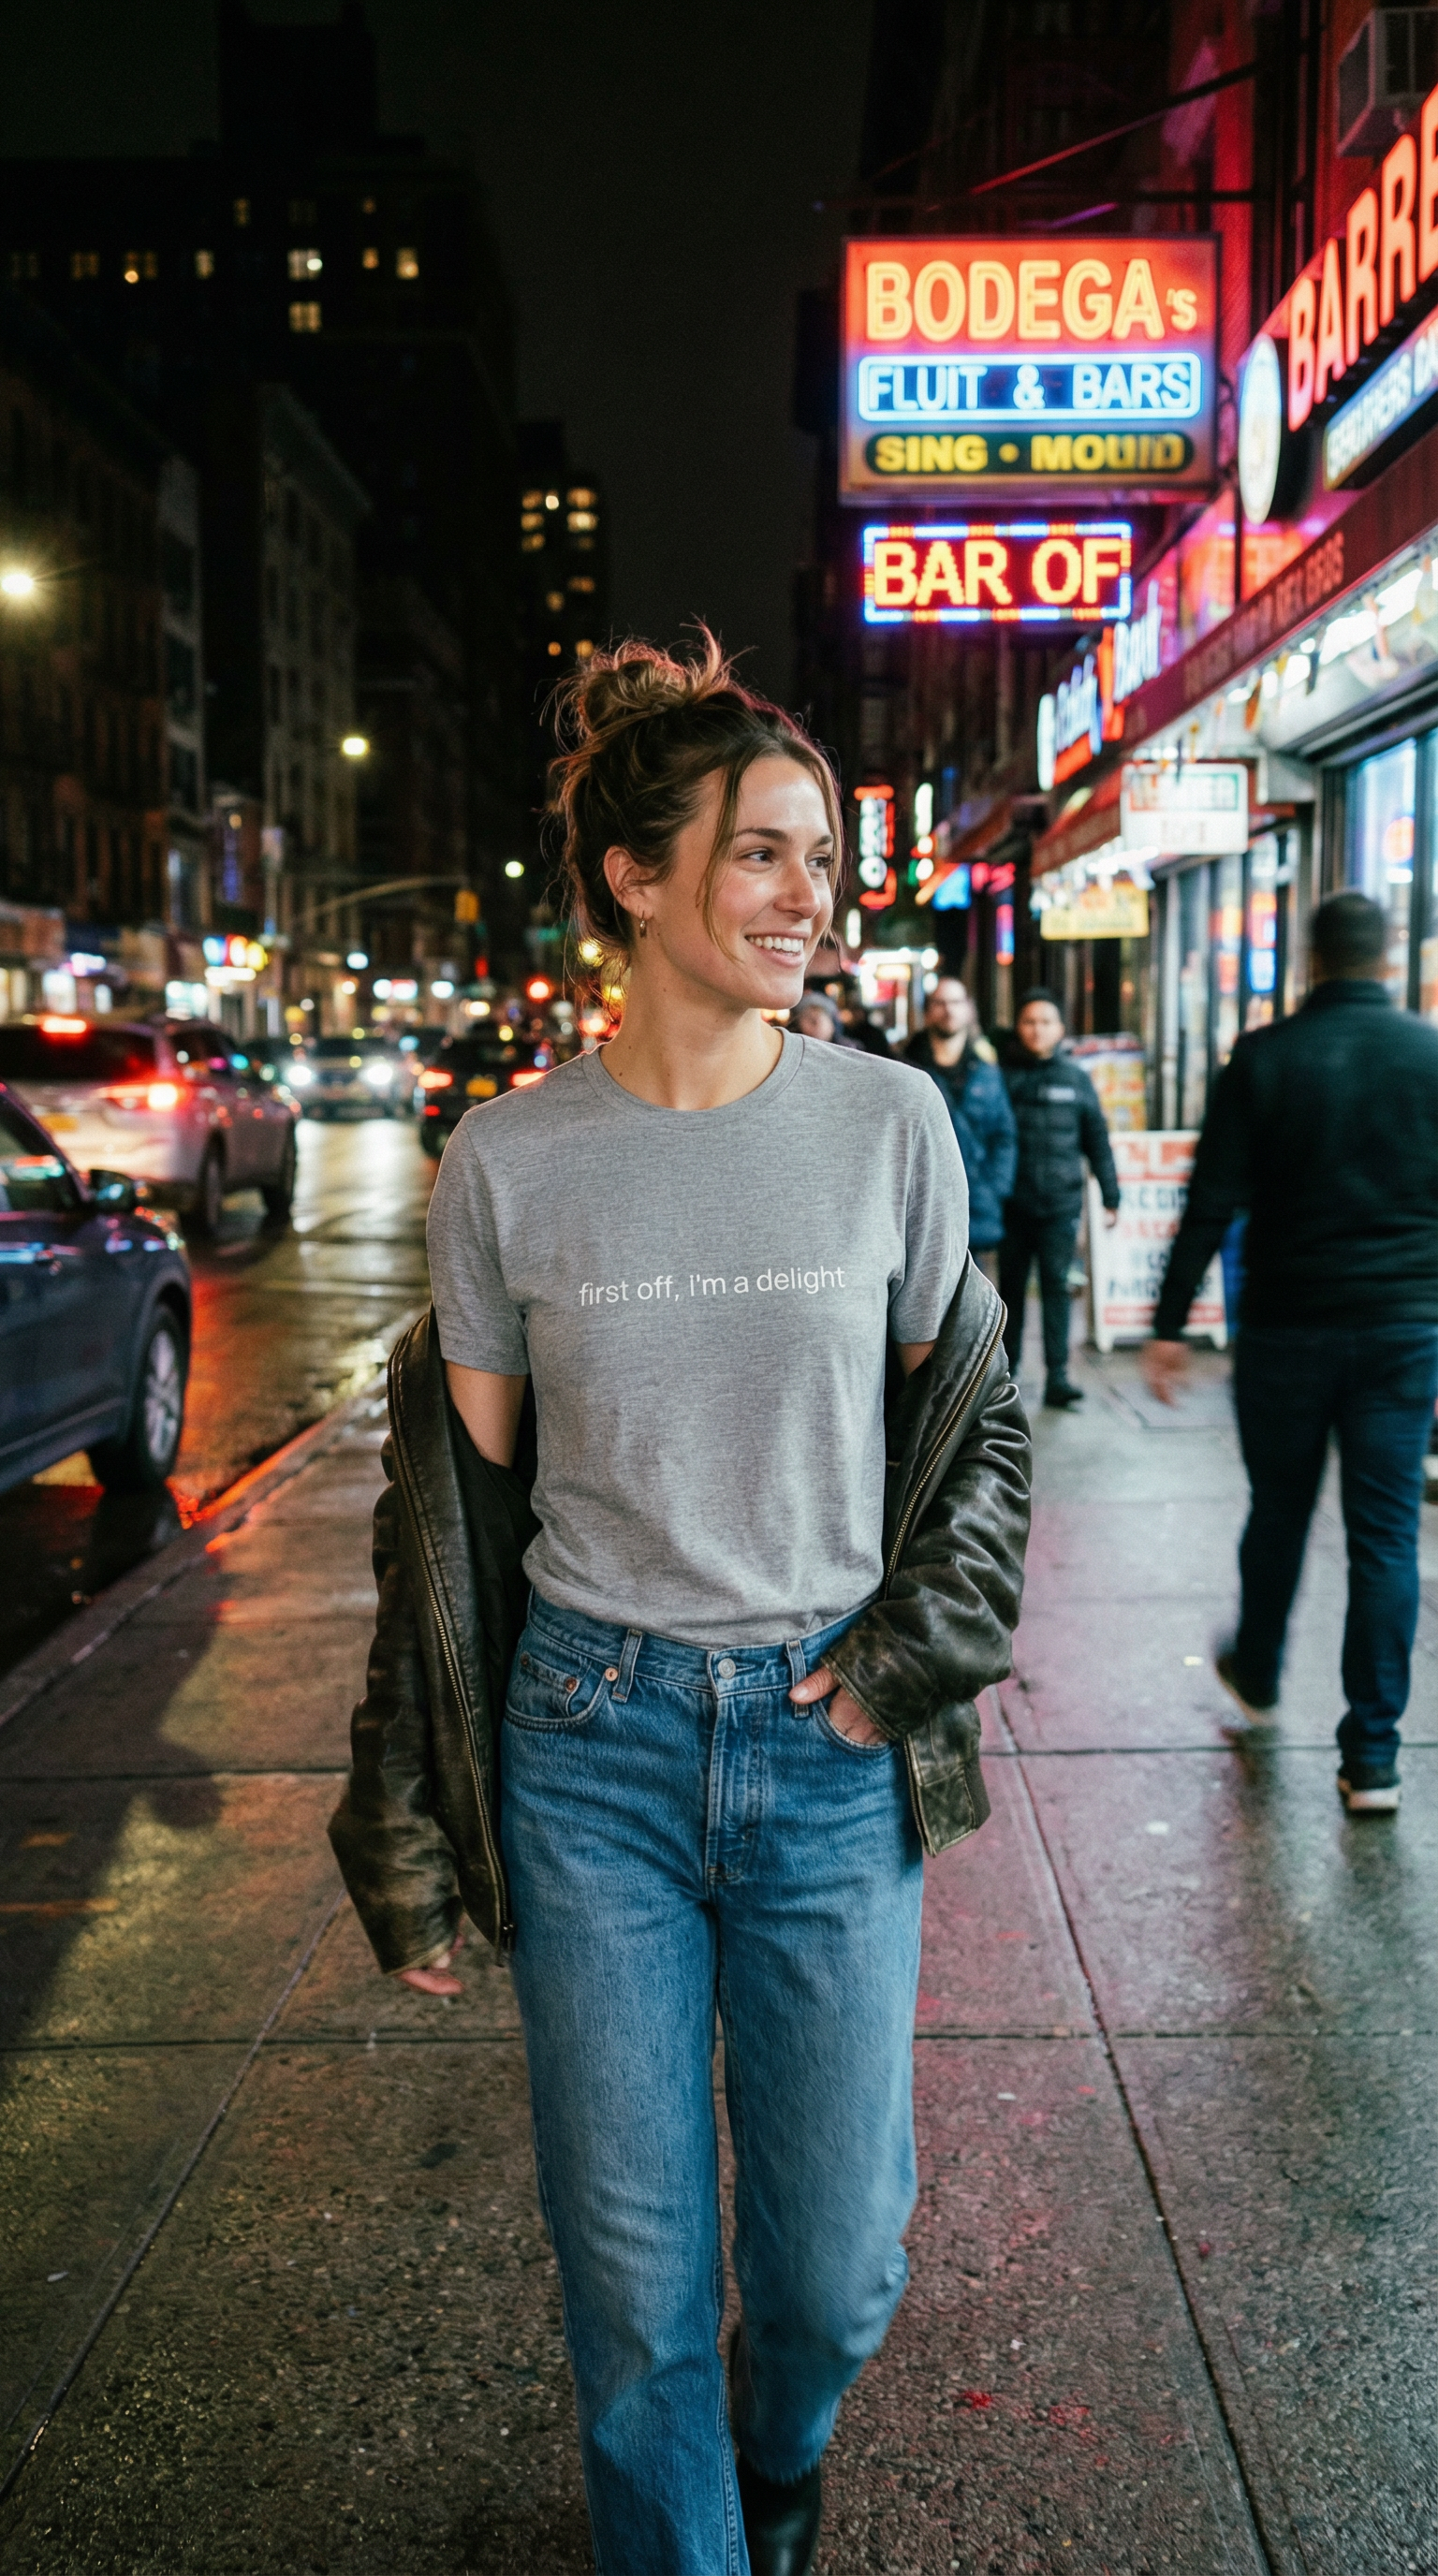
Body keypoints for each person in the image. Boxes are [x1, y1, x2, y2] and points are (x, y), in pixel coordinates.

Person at [329, 635, 1033, 2576]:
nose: (814, 897)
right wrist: (405, 1804)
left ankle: (776, 2446)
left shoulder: (889, 1126)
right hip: (591, 1751)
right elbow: (447, 1524)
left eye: (826, 858)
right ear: (637, 877)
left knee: (835, 2266)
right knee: (633, 2282)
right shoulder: (508, 1157)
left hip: (827, 1741)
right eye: (765, 854)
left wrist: (897, 1672)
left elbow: (978, 1437)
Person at [1142, 890, 1438, 1816]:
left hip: (1286, 1327)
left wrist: (1167, 1322)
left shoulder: (1264, 1057)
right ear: (1386, 958)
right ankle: (1373, 1757)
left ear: (1310, 960)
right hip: (1402, 1328)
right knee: (1385, 1534)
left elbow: (1211, 1198)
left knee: (1279, 1508)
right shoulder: (1430, 1054)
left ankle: (1261, 1668)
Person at [999, 987, 1120, 1408]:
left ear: (1061, 1029)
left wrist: (1111, 1195)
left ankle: (1058, 1377)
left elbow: (1097, 1139)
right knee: (1009, 1293)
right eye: (1029, 1021)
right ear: (1018, 1027)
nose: (1037, 1029)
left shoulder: (1076, 1079)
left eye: (1046, 1022)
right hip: (1012, 1206)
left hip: (1060, 1206)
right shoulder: (1002, 1077)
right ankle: (1005, 1377)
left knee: (1056, 1288)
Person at [903, 974, 1017, 1285]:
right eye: (940, 1003)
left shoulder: (986, 1072)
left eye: (955, 1002)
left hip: (976, 1205)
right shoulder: (904, 1068)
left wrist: (996, 1187)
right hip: (920, 1209)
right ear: (928, 1011)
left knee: (974, 1297)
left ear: (968, 1009)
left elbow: (1004, 1135)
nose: (948, 1010)